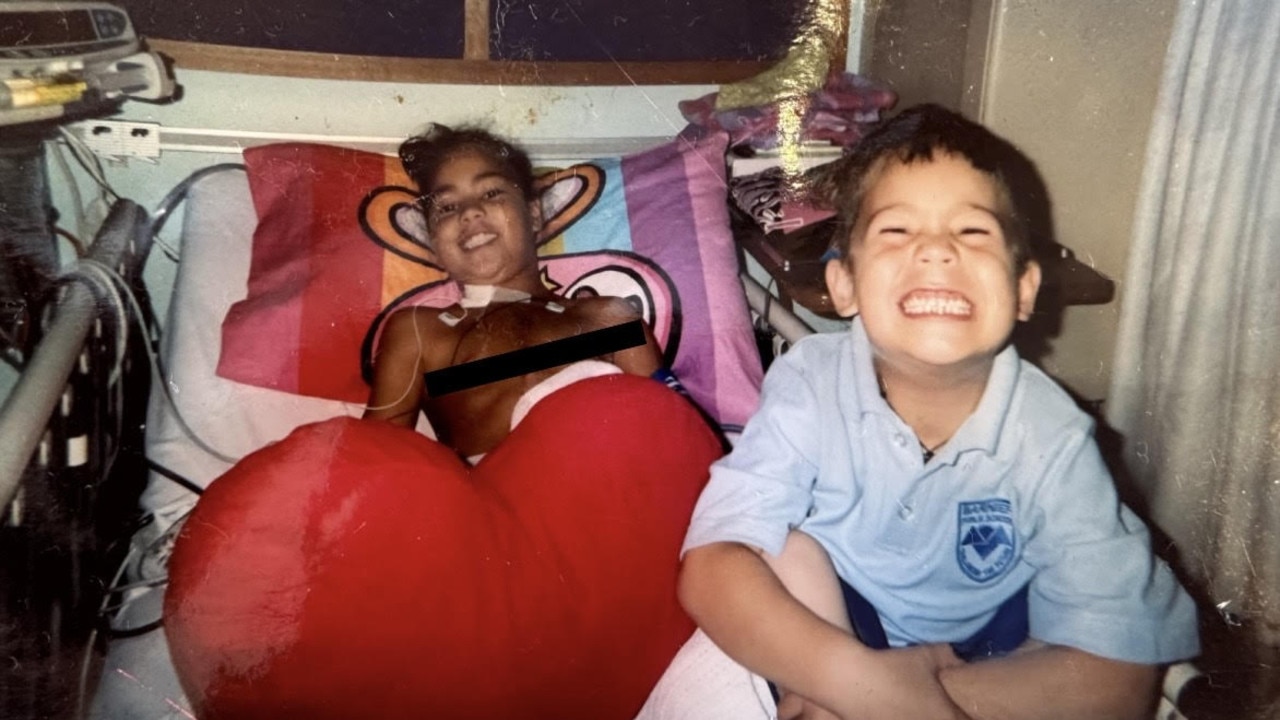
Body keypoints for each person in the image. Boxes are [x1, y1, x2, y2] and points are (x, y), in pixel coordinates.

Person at [677, 104, 1200, 720]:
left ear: (1024, 289)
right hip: (837, 624)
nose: (936, 252)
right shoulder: (808, 382)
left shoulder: (1052, 436)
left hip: (989, 651)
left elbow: (1117, 678)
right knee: (777, 549)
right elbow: (709, 566)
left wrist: (901, 702)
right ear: (843, 285)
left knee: (1120, 645)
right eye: (897, 232)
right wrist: (845, 677)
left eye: (973, 232)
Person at [363, 124, 667, 460]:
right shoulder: (423, 333)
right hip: (494, 501)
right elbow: (377, 456)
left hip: (612, 486)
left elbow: (672, 432)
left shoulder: (607, 319)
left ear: (534, 214)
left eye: (491, 193)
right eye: (447, 207)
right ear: (433, 244)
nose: (470, 212)